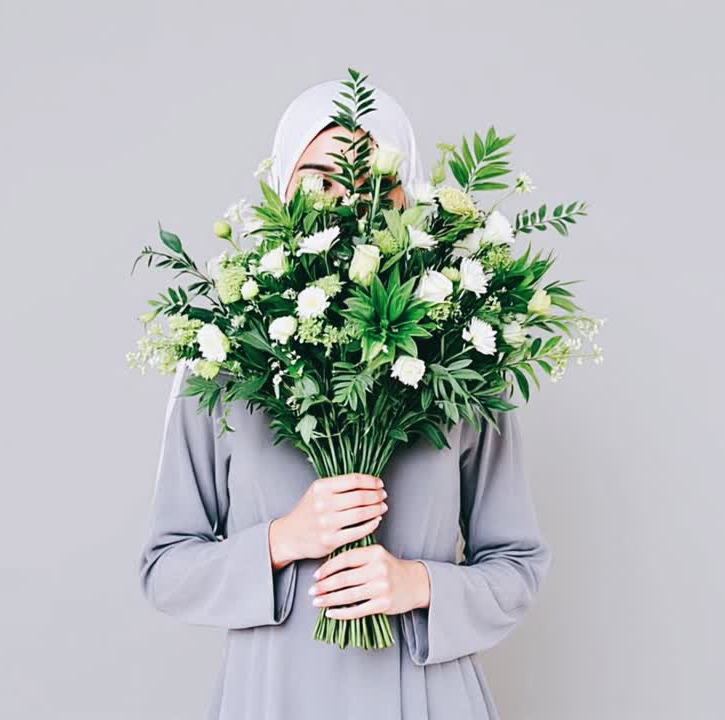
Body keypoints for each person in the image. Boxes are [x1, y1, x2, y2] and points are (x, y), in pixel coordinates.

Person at [138, 79, 553, 720]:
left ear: (406, 198)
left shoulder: (467, 358)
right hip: (272, 696)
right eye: (320, 180)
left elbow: (518, 566)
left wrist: (420, 584)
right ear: (280, 188)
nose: (345, 204)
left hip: (425, 697)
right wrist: (283, 540)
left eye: (372, 185)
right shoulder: (219, 358)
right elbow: (165, 567)